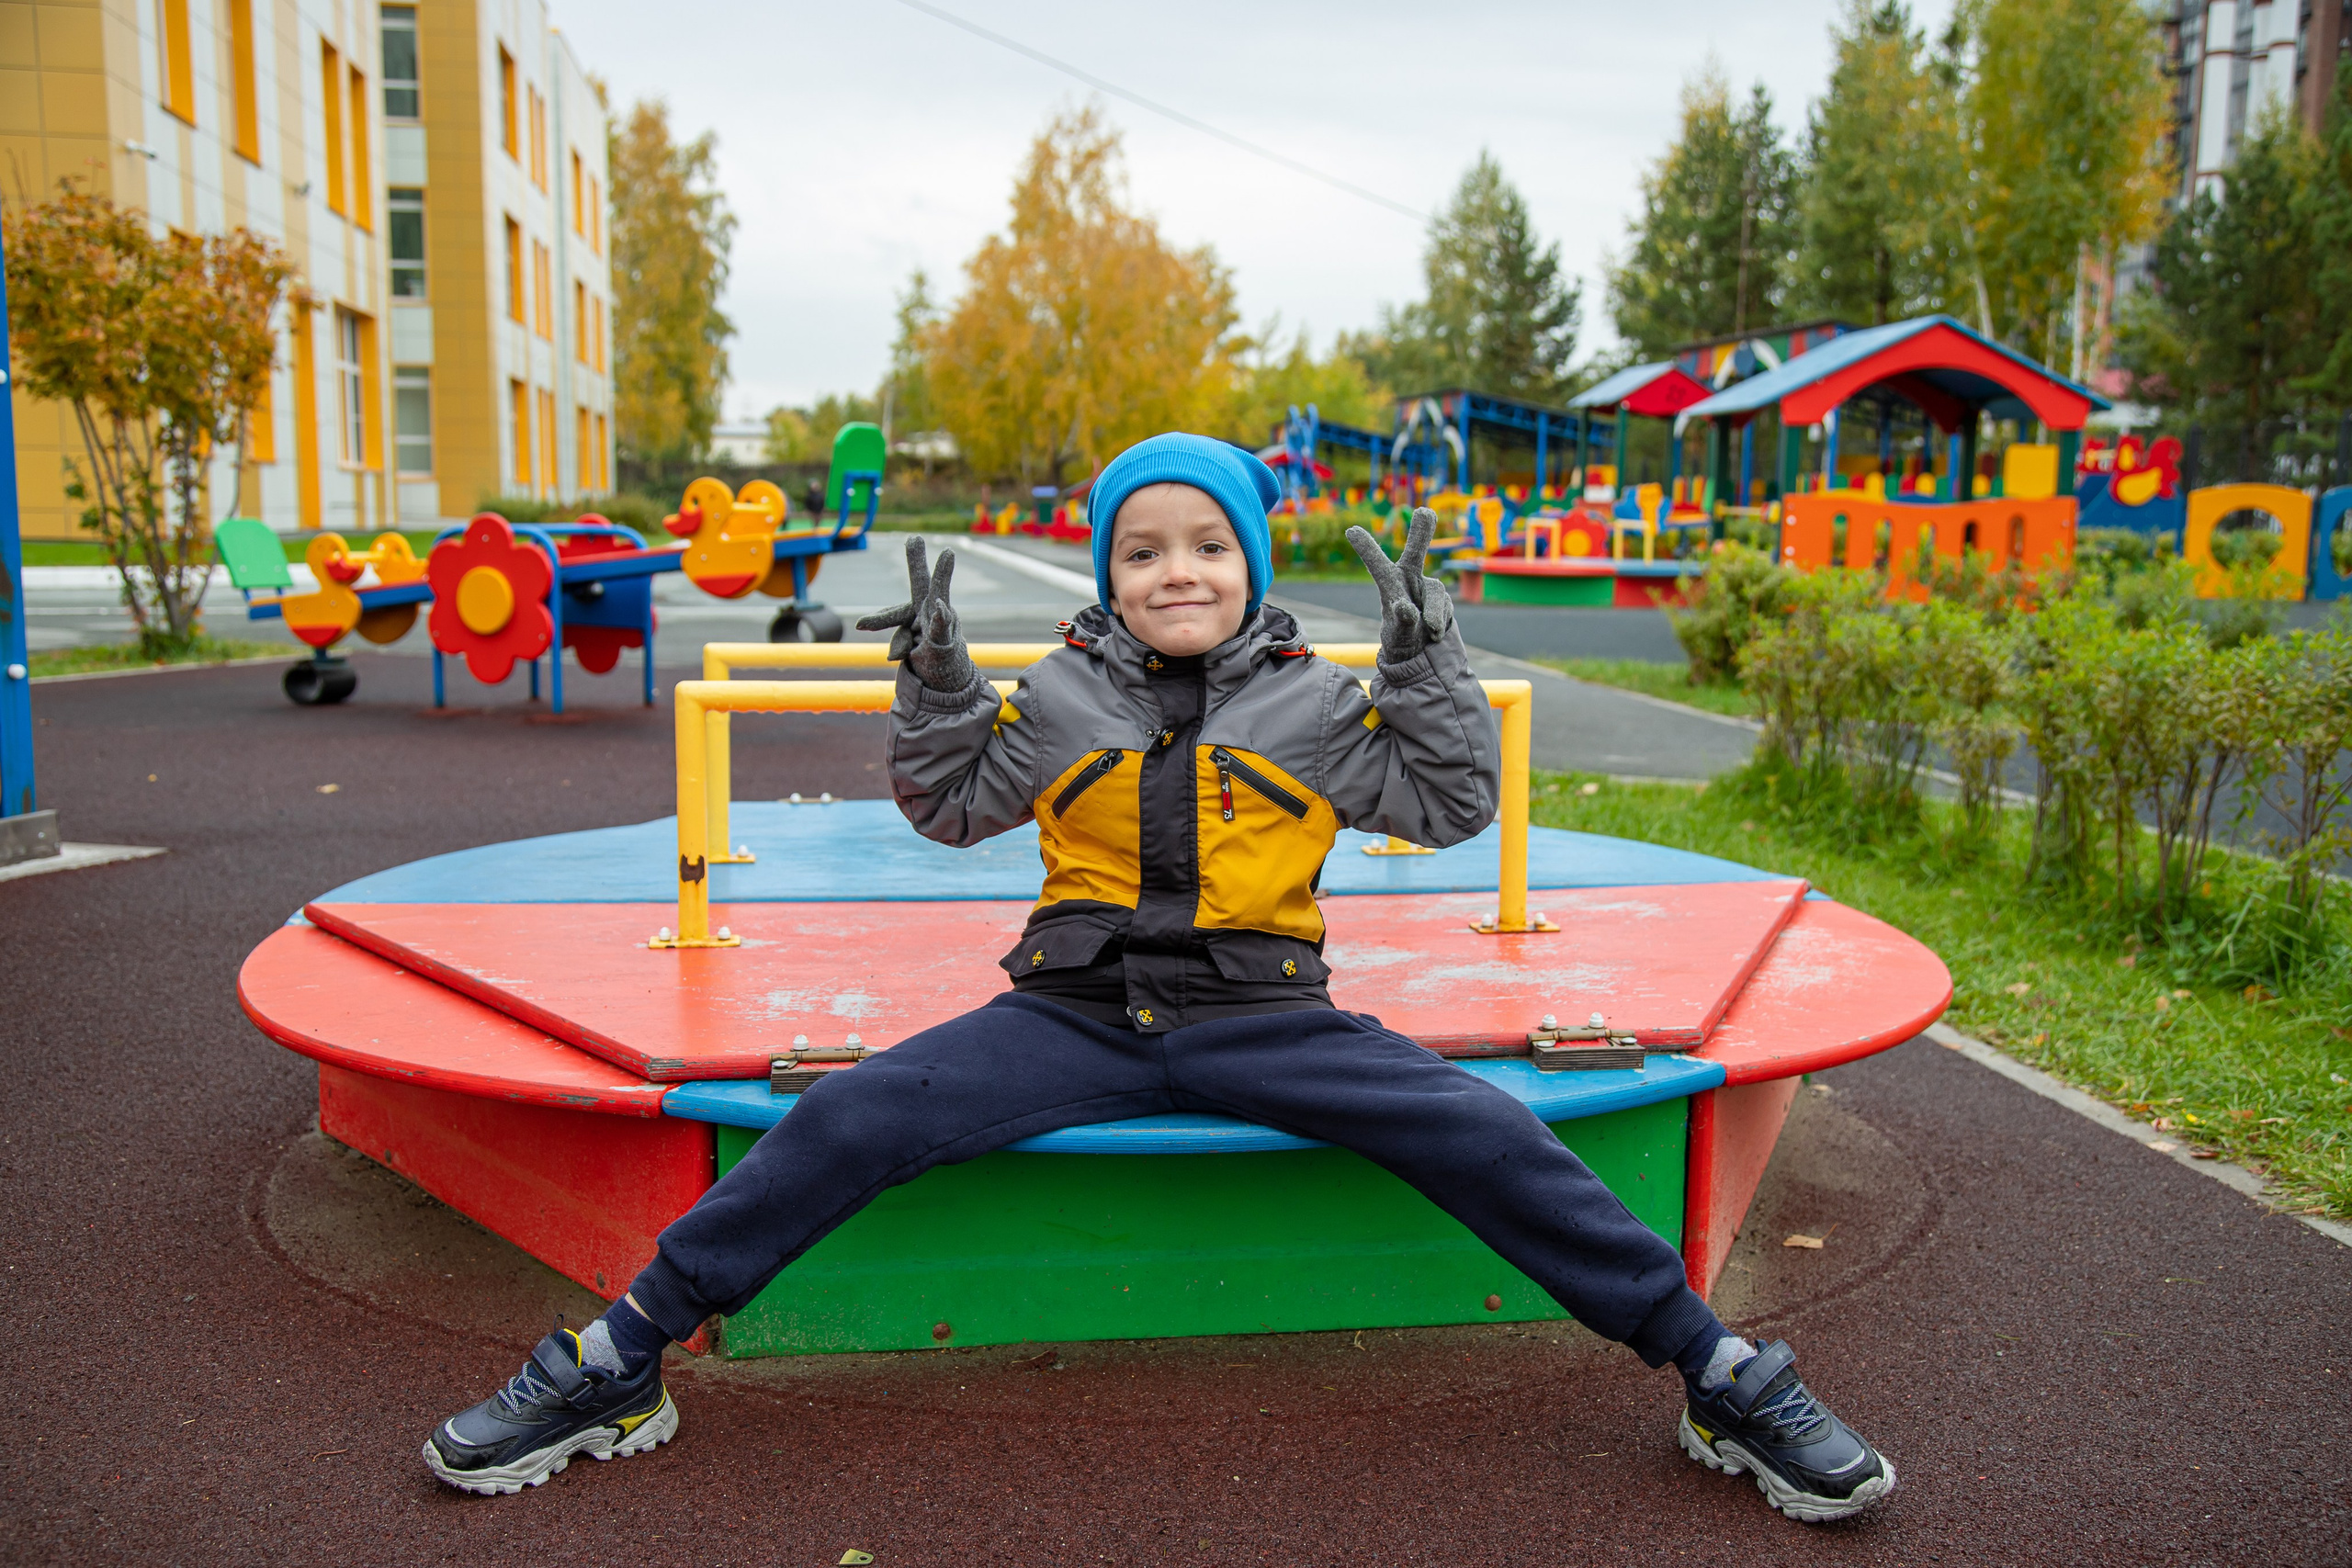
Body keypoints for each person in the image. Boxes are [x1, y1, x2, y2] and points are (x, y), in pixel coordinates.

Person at [422, 434, 1894, 1521]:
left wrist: (1428, 667)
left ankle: (1717, 1370)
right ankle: (618, 1352)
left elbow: (1442, 806)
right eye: (1141, 550)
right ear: (1106, 574)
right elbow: (952, 807)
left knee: (1489, 1131)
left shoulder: (1318, 701)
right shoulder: (1061, 691)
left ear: (1251, 562)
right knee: (853, 1114)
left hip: (1269, 1016)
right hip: (1070, 1012)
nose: (1174, 571)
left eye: (1206, 544)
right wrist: (936, 688)